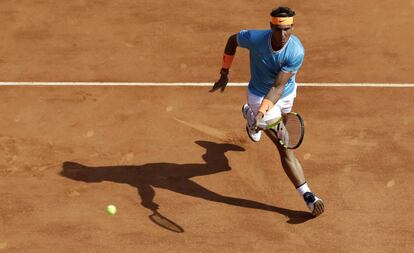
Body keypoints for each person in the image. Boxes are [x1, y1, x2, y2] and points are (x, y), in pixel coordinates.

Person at [210, 6, 325, 217]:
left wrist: (261, 114)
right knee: (285, 146)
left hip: (285, 94)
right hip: (258, 95)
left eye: (287, 30)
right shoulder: (255, 38)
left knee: (272, 126)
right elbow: (232, 40)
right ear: (270, 26)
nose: (283, 35)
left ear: (292, 28)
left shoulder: (296, 51)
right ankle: (308, 196)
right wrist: (224, 72)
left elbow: (278, 87)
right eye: (278, 30)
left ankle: (251, 118)